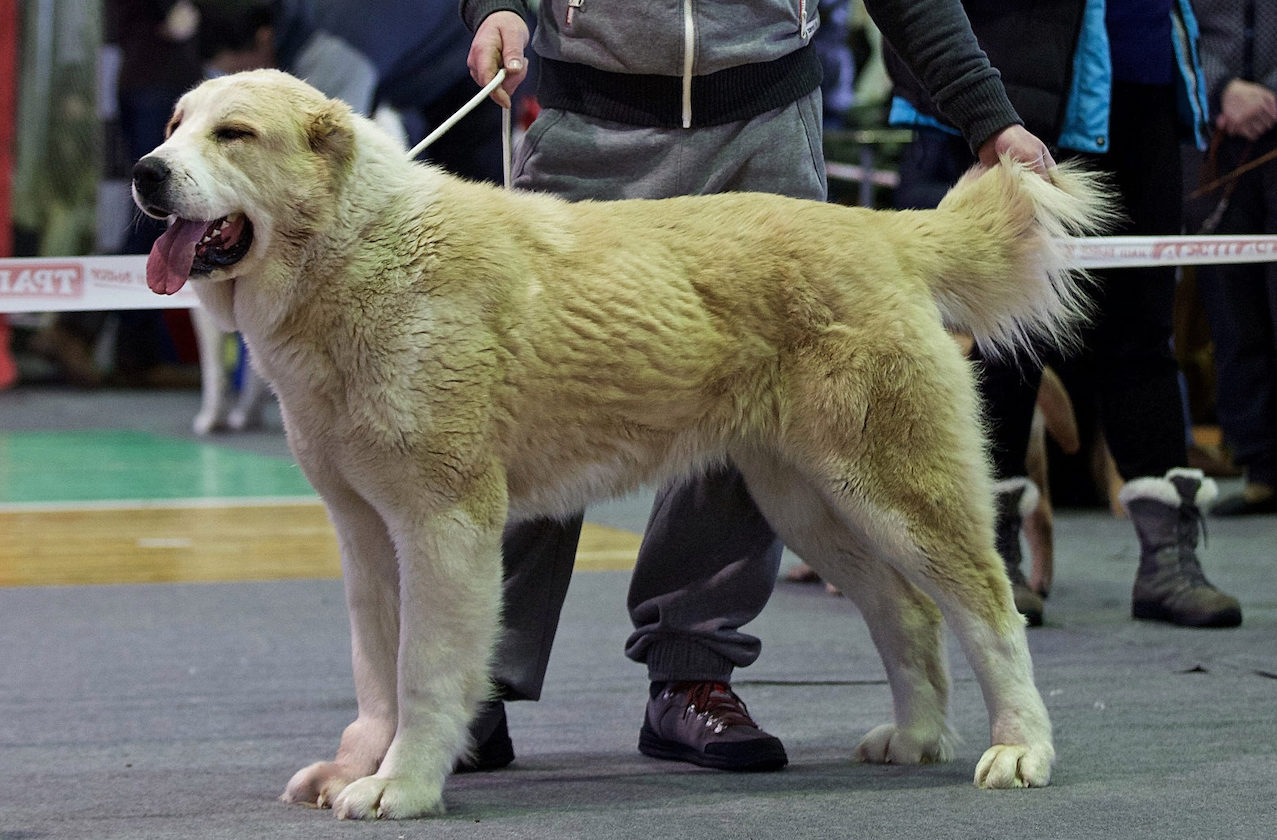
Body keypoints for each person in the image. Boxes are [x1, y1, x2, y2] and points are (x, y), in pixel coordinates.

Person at [460, 0, 1056, 773]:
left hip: (762, 126)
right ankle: (471, 683)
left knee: (782, 450)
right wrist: (497, 8)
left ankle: (693, 670)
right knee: (525, 417)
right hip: (589, 130)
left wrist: (988, 117)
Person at [887, 0, 1244, 628]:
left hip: (1146, 85)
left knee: (1145, 329)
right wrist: (977, 111)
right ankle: (989, 557)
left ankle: (1168, 558)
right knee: (1001, 338)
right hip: (1013, 97)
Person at [194, 0, 505, 184]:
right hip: (410, 57)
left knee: (469, 193)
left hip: (473, 59)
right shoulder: (293, 22)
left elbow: (327, 161)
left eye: (235, 71)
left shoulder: (333, 55)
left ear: (263, 39)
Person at [1193, 0, 1277, 516]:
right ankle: (1261, 466)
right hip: (1211, 136)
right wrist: (1221, 88)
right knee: (1230, 307)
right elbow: (1166, 24)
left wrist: (1268, 96)